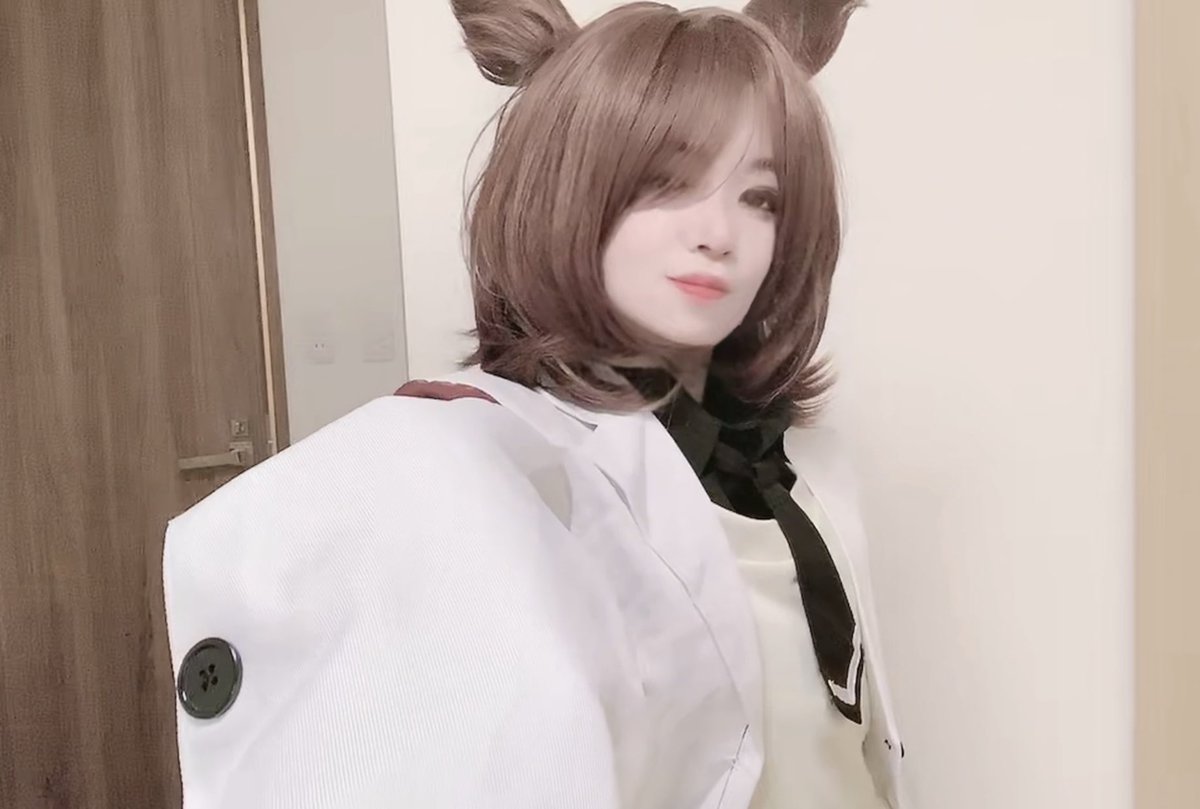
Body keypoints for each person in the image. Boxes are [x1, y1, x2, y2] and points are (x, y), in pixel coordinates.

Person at [163, 1, 908, 807]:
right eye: (666, 181)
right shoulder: (481, 473)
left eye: (760, 197)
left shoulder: (801, 467)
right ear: (566, 188)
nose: (719, 232)